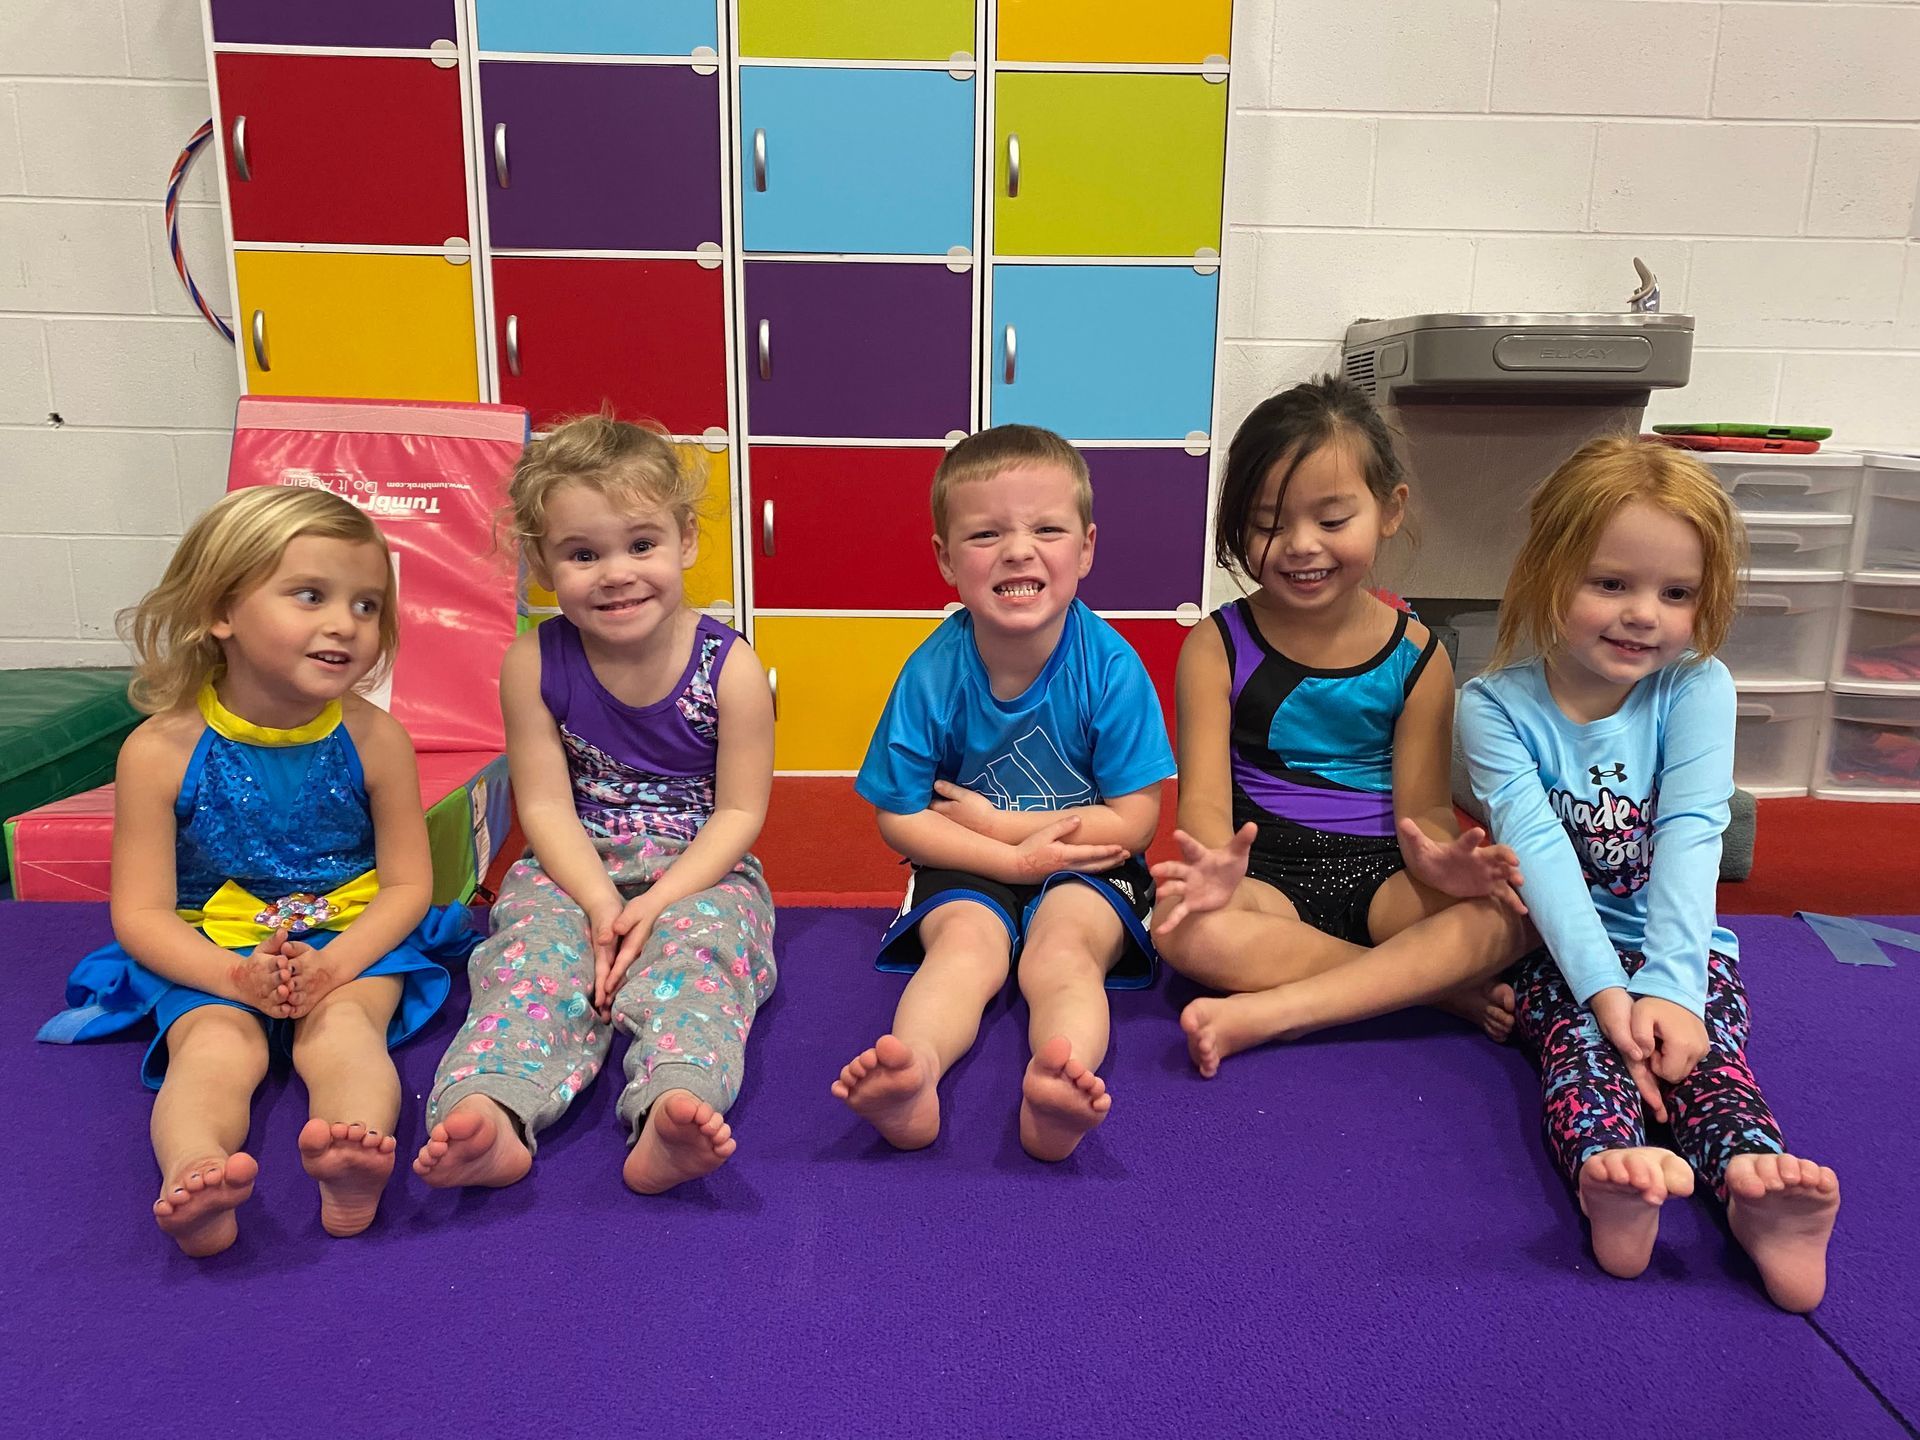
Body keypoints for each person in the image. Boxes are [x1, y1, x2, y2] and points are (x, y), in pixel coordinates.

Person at [1460, 435, 1840, 1311]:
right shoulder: (1494, 707)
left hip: (1683, 950)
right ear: (1547, 571)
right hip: (1560, 956)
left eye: (1677, 595)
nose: (1645, 615)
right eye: (1611, 584)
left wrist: (1672, 987)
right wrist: (1608, 997)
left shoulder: (1697, 686)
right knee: (1581, 1054)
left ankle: (1753, 1187)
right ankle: (1609, 1175)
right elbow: (1542, 857)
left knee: (1709, 1064)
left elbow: (1693, 833)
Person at [40, 485, 472, 1256]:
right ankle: (194, 1172)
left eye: (368, 606)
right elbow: (140, 914)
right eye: (310, 595)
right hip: (216, 945)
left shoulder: (376, 740)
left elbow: (408, 885)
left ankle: (355, 1152)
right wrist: (231, 978)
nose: (345, 622)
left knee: (343, 1036)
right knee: (213, 1049)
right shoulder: (160, 751)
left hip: (346, 934)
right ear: (222, 612)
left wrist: (335, 966)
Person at [414, 416, 776, 1196]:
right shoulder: (533, 662)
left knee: (701, 961)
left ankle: (673, 1103)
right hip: (575, 862)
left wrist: (660, 904)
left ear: (685, 540)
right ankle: (493, 1108)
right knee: (526, 963)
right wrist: (599, 903)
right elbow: (543, 805)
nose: (616, 573)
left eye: (640, 545)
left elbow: (740, 815)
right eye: (583, 554)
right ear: (544, 564)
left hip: (699, 865)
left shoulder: (730, 667)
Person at [1149, 376, 1529, 1075]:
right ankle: (1425, 990)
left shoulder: (1417, 655)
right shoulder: (1218, 644)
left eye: (1330, 521)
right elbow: (1203, 801)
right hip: (1263, 877)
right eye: (1268, 523)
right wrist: (1210, 867)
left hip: (1385, 877)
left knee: (1520, 911)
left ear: (1390, 510)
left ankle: (1289, 1004)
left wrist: (1444, 859)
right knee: (1186, 933)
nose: (1299, 546)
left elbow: (1423, 812)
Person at [832, 425, 1174, 1161]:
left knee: (1064, 955)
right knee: (961, 951)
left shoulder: (1111, 667)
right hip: (968, 856)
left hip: (1085, 862)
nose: (1018, 550)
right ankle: (914, 1073)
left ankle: (1058, 1080)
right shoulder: (932, 671)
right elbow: (899, 816)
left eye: (1046, 529)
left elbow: (1137, 821)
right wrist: (1009, 858)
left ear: (1084, 549)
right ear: (946, 559)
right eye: (986, 533)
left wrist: (1007, 831)